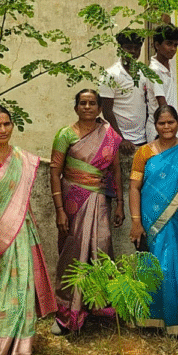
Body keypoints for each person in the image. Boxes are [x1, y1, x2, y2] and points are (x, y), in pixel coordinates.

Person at [0, 106, 57, 355]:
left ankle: (18, 347)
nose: (3, 130)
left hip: (20, 234)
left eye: (7, 124)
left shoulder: (20, 157)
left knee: (20, 290)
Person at [50, 89, 124, 333]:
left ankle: (97, 308)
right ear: (76, 107)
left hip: (101, 200)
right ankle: (66, 312)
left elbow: (115, 170)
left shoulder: (109, 134)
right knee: (73, 251)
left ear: (100, 108)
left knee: (102, 249)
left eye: (92, 103)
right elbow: (54, 172)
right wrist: (59, 210)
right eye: (83, 103)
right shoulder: (65, 135)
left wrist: (121, 203)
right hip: (73, 201)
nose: (87, 107)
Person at [128, 105, 178, 337]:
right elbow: (134, 187)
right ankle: (152, 319)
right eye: (161, 123)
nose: (167, 127)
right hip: (151, 221)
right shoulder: (144, 153)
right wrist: (136, 221)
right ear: (155, 126)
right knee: (156, 266)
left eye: (171, 122)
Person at [99, 29, 154, 255]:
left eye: (136, 48)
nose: (132, 51)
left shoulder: (145, 74)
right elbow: (106, 111)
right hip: (120, 145)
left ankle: (144, 240)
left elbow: (150, 106)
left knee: (144, 191)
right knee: (123, 190)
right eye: (128, 47)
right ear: (120, 48)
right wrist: (121, 138)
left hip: (143, 142)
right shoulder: (109, 74)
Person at [147, 24, 178, 140]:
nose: (173, 48)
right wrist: (177, 120)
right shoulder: (154, 70)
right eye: (169, 44)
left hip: (171, 125)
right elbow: (161, 102)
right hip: (161, 127)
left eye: (175, 45)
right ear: (157, 45)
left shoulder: (169, 65)